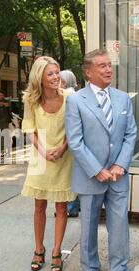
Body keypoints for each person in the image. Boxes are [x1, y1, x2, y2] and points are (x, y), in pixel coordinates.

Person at [65, 49, 139, 271]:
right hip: (90, 177)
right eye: (102, 66)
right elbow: (75, 141)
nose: (108, 70)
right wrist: (97, 170)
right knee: (88, 226)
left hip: (118, 177)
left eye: (109, 65)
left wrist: (120, 164)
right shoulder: (76, 100)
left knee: (119, 226)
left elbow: (130, 134)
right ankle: (90, 269)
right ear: (88, 72)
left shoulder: (122, 99)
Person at [21, 56, 77, 271]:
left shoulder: (70, 98)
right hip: (40, 158)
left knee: (62, 207)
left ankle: (56, 251)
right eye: (51, 74)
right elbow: (30, 129)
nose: (56, 77)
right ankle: (38, 248)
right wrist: (43, 152)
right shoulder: (30, 100)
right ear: (40, 78)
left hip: (64, 158)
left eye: (57, 72)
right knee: (39, 206)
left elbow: (75, 129)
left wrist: (62, 148)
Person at [60, 69, 80, 218]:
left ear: (64, 82)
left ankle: (71, 207)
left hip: (69, 143)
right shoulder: (75, 95)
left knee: (71, 176)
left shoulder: (69, 97)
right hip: (73, 142)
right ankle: (73, 206)